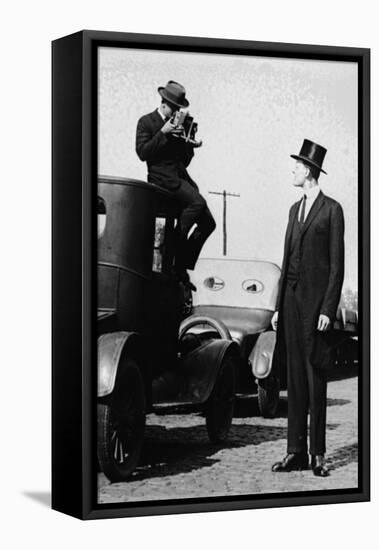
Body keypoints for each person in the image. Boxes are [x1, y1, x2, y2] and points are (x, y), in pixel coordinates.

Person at [271, 139, 345, 477]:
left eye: (297, 167)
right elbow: (286, 261)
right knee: (295, 378)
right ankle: (295, 451)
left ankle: (317, 454)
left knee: (315, 377)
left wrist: (329, 308)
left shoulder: (332, 210)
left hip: (317, 307)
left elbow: (336, 266)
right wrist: (277, 307)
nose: (293, 171)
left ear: (310, 171)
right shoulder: (292, 209)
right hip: (290, 301)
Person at [136, 80, 216, 289]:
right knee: (197, 203)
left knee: (209, 223)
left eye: (179, 109)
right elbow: (143, 153)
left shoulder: (178, 124)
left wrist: (190, 144)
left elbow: (184, 161)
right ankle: (177, 262)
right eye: (175, 108)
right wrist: (162, 132)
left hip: (179, 179)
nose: (177, 112)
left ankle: (183, 262)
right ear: (164, 104)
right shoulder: (147, 122)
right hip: (162, 181)